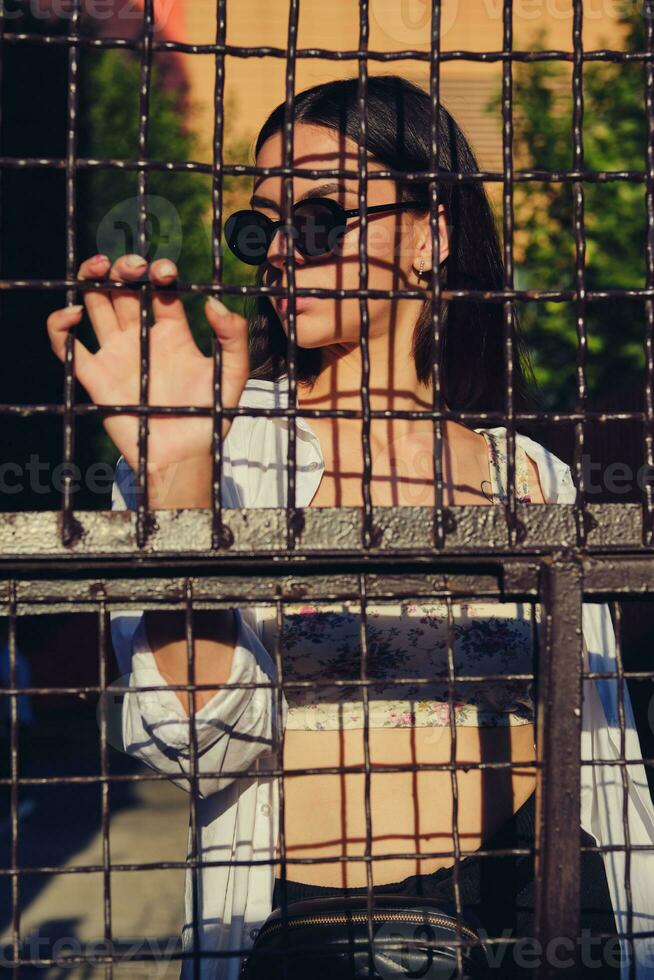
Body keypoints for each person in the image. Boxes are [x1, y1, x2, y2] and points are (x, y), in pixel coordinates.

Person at [45, 75, 654, 979]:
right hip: (306, 937)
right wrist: (176, 472)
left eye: (324, 217)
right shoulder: (216, 442)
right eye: (260, 227)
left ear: (429, 233)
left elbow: (606, 757)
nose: (283, 252)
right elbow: (196, 747)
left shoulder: (532, 474)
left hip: (541, 918)